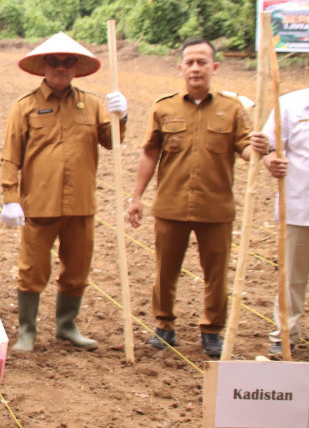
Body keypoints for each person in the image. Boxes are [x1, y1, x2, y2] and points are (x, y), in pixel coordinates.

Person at [127, 38, 270, 358]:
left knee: (216, 273)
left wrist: (257, 149)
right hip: (171, 206)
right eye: (189, 62)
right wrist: (136, 196)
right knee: (165, 270)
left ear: (214, 68)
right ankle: (164, 326)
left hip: (215, 208)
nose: (195, 68)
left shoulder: (232, 109)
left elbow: (245, 150)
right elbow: (150, 153)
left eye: (202, 62)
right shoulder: (164, 107)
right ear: (181, 68)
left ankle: (211, 331)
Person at [0, 31, 128, 352]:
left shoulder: (93, 105)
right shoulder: (25, 107)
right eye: (54, 62)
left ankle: (66, 325)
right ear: (44, 65)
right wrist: (10, 200)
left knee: (77, 268)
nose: (60, 67)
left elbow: (112, 142)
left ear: (75, 67)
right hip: (39, 205)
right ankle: (27, 330)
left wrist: (121, 116)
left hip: (81, 204)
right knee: (32, 269)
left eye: (67, 62)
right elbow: (10, 156)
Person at [261, 55, 309, 358]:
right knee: (291, 277)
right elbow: (267, 145)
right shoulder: (290, 105)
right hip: (299, 207)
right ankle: (286, 336)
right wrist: (271, 161)